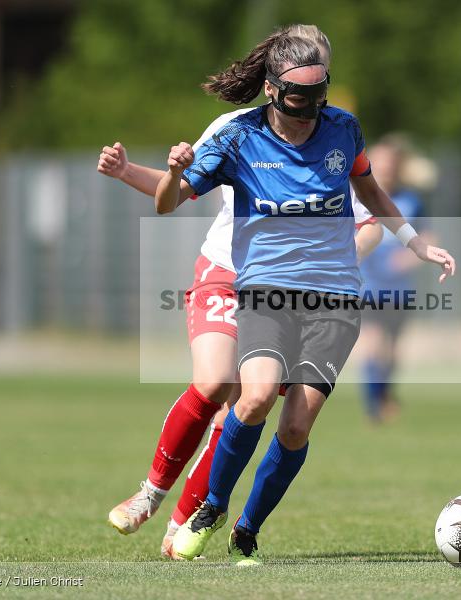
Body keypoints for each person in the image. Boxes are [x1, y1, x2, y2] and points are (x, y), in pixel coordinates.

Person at [158, 30, 455, 565]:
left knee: (295, 425)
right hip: (266, 292)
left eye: (317, 100)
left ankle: (246, 531)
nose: (308, 113)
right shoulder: (238, 136)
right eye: (298, 102)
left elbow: (369, 193)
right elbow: (168, 202)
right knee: (251, 398)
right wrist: (175, 171)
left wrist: (414, 242)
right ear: (271, 90)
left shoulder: (343, 128)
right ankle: (211, 507)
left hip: (334, 300)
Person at [96, 25, 383, 559]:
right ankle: (150, 493)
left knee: (242, 410)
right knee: (212, 382)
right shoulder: (236, 127)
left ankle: (185, 522)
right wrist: (126, 171)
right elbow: (179, 187)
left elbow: (367, 221)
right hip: (228, 269)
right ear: (275, 77)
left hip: (297, 294)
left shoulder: (336, 135)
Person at [358, 135, 428, 423]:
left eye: (391, 162)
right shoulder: (359, 196)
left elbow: (427, 235)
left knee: (394, 351)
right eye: (382, 161)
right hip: (367, 285)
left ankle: (384, 394)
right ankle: (374, 405)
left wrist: (409, 257)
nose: (386, 167)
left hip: (399, 287)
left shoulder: (411, 201)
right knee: (373, 344)